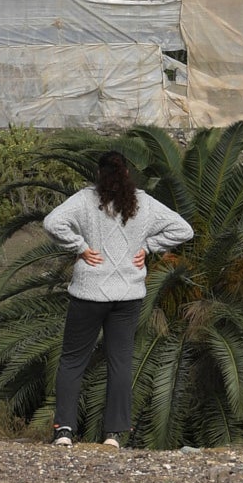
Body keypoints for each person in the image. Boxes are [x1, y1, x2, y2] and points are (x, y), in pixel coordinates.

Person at [40, 151, 195, 448]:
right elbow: (184, 229)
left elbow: (52, 222)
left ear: (99, 174)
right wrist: (149, 246)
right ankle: (113, 435)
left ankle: (64, 431)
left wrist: (81, 247)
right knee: (121, 363)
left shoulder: (85, 199)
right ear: (127, 174)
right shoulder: (144, 203)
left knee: (73, 361)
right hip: (128, 296)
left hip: (88, 293)